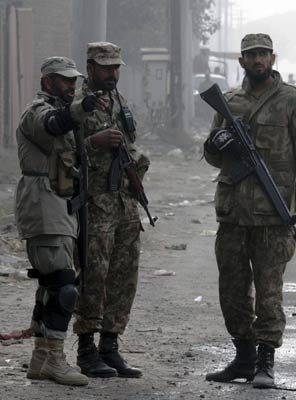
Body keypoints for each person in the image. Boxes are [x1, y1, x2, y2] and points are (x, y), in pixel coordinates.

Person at [203, 33, 296, 389]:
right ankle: (243, 357)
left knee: (269, 294)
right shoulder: (229, 101)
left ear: (272, 58)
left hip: (273, 215)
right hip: (234, 213)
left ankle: (266, 360)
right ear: (241, 61)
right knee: (232, 291)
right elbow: (211, 156)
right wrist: (217, 143)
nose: (257, 61)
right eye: (250, 55)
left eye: (262, 55)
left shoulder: (293, 102)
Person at [71, 42, 149, 379]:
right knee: (93, 276)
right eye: (106, 67)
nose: (112, 73)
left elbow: (129, 146)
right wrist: (93, 142)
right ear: (90, 68)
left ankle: (110, 346)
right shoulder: (76, 105)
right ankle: (86, 348)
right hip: (94, 202)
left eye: (116, 67)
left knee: (123, 276)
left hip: (124, 202)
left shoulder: (120, 101)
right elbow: (61, 153)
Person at [15, 56, 89, 386]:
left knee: (50, 286)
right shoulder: (38, 110)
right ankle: (56, 359)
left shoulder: (62, 108)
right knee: (63, 286)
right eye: (64, 80)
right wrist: (81, 108)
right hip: (43, 203)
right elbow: (53, 125)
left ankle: (41, 359)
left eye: (74, 80)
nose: (71, 85)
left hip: (57, 204)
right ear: (47, 82)